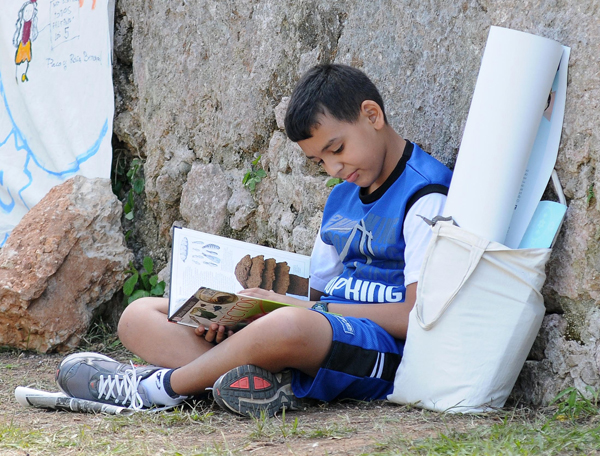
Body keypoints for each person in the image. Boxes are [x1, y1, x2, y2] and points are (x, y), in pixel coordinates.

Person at [55, 64, 452, 417]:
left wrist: (310, 307)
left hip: (374, 348)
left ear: (372, 115)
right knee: (140, 315)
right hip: (313, 325)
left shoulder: (424, 195)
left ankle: (160, 387)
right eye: (319, 161)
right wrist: (238, 311)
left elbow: (412, 314)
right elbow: (316, 285)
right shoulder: (340, 199)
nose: (333, 168)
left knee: (288, 325)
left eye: (337, 149)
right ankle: (260, 384)